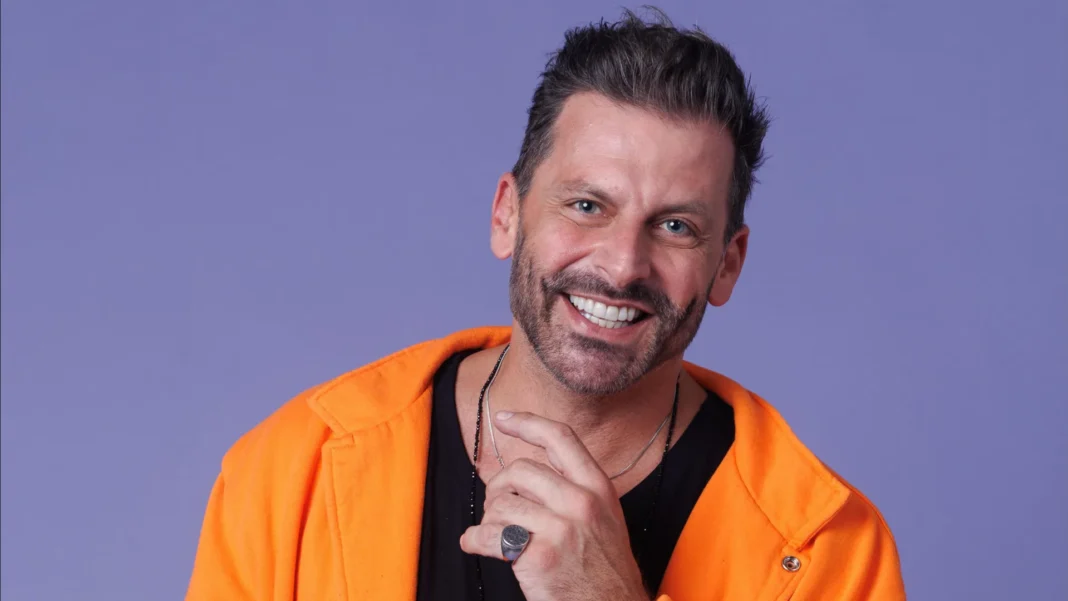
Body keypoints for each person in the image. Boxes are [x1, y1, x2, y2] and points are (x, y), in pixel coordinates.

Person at [185, 9, 905, 601]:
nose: (621, 265)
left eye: (675, 226)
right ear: (507, 214)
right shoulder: (290, 470)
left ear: (728, 264)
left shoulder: (831, 552)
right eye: (587, 205)